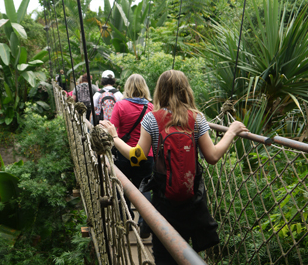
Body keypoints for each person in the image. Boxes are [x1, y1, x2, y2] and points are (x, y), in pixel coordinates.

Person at [100, 70, 248, 265]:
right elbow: (212, 156)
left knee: (163, 254)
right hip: (192, 198)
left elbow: (137, 157)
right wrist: (231, 132)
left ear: (159, 91)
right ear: (186, 90)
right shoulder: (197, 118)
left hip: (164, 199)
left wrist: (114, 137)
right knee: (189, 255)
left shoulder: (152, 119)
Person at [110, 74, 154, 238]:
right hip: (146, 155)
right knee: (145, 187)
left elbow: (112, 130)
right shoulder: (152, 108)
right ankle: (145, 221)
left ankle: (126, 219)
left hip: (125, 154)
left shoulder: (120, 106)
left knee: (123, 187)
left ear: (127, 88)